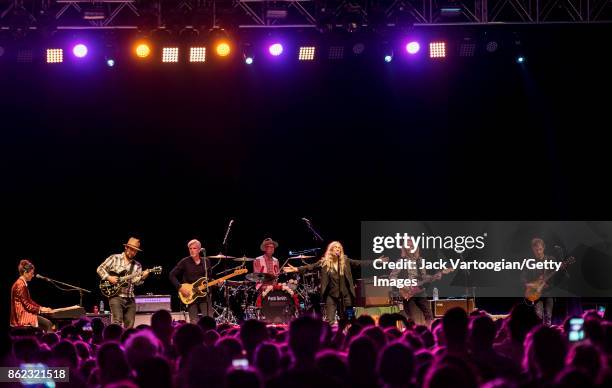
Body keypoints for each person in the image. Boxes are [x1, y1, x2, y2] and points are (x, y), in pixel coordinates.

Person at [284, 241, 373, 324]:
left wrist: (376, 262)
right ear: (331, 250)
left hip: (345, 295)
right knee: (329, 320)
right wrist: (297, 269)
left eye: (339, 248)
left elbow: (360, 263)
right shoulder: (324, 262)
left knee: (349, 318)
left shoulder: (345, 260)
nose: (338, 249)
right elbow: (311, 266)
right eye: (335, 247)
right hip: (331, 295)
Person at [97, 237, 151, 328]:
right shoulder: (114, 258)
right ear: (126, 247)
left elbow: (135, 282)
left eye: (135, 251)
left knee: (130, 326)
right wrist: (109, 277)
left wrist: (142, 277)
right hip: (116, 296)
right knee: (117, 322)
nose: (133, 252)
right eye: (132, 249)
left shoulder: (137, 265)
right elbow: (100, 269)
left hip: (130, 298)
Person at [389, 240, 434, 326]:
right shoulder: (400, 262)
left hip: (420, 290)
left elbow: (424, 276)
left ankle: (429, 332)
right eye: (408, 246)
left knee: (429, 314)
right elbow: (392, 277)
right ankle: (411, 333)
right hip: (407, 292)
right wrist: (403, 286)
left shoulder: (420, 261)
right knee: (410, 317)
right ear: (405, 248)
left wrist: (431, 277)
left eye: (412, 246)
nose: (410, 248)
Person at [169, 239, 213, 323]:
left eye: (194, 248)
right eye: (190, 248)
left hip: (204, 295)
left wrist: (218, 282)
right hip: (190, 295)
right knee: (194, 322)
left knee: (209, 320)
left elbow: (209, 278)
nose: (192, 250)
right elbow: (171, 275)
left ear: (200, 250)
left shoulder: (206, 261)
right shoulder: (184, 261)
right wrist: (180, 288)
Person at [10, 259, 55, 332]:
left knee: (45, 324)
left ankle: (43, 341)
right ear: (25, 272)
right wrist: (40, 310)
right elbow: (27, 305)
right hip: (22, 317)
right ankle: (49, 342)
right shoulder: (21, 285)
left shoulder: (21, 283)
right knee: (48, 324)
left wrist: (41, 307)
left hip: (22, 315)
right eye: (31, 273)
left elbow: (29, 301)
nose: (33, 275)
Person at [521, 238, 558, 325]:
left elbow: (556, 278)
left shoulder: (551, 259)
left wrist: (549, 285)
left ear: (543, 248)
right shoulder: (529, 262)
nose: (538, 252)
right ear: (532, 250)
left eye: (540, 249)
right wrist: (530, 285)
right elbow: (523, 277)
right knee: (538, 316)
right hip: (535, 293)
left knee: (548, 316)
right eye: (536, 250)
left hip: (548, 292)